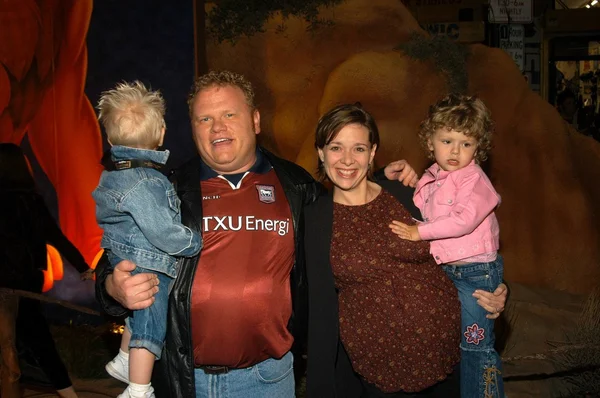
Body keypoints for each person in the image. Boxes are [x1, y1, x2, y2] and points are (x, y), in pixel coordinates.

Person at [94, 70, 419, 398]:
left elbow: (344, 211)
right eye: (204, 118)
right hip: (186, 381)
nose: (217, 126)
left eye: (229, 114)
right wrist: (113, 287)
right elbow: (120, 248)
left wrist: (380, 180)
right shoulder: (167, 189)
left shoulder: (296, 187)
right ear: (192, 129)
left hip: (269, 380)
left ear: (256, 120)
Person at [305, 103, 508, 398]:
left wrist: (500, 288)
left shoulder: (406, 194)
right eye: (336, 148)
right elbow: (309, 304)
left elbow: (470, 240)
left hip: (451, 357)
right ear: (321, 152)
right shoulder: (313, 219)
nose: (347, 160)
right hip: (378, 371)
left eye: (359, 149)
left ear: (372, 152)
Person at [92, 81, 203, 398]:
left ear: (111, 138)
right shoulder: (148, 181)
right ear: (162, 132)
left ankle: (125, 359)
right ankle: (139, 389)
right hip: (148, 260)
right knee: (150, 323)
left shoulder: (117, 175)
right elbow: (162, 232)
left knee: (141, 314)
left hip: (128, 253)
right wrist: (192, 241)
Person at [389, 94, 504, 397]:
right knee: (447, 344)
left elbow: (461, 221)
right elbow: (422, 207)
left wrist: (418, 233)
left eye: (466, 144)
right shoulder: (433, 176)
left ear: (478, 147)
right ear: (430, 141)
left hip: (475, 275)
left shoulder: (475, 180)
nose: (455, 151)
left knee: (475, 346)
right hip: (447, 270)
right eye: (447, 141)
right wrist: (405, 179)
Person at [0, 143, 90, 398]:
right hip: (27, 282)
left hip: (10, 283)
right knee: (38, 340)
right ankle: (69, 394)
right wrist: (83, 267)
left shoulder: (25, 201)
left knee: (15, 343)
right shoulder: (30, 200)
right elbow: (55, 237)